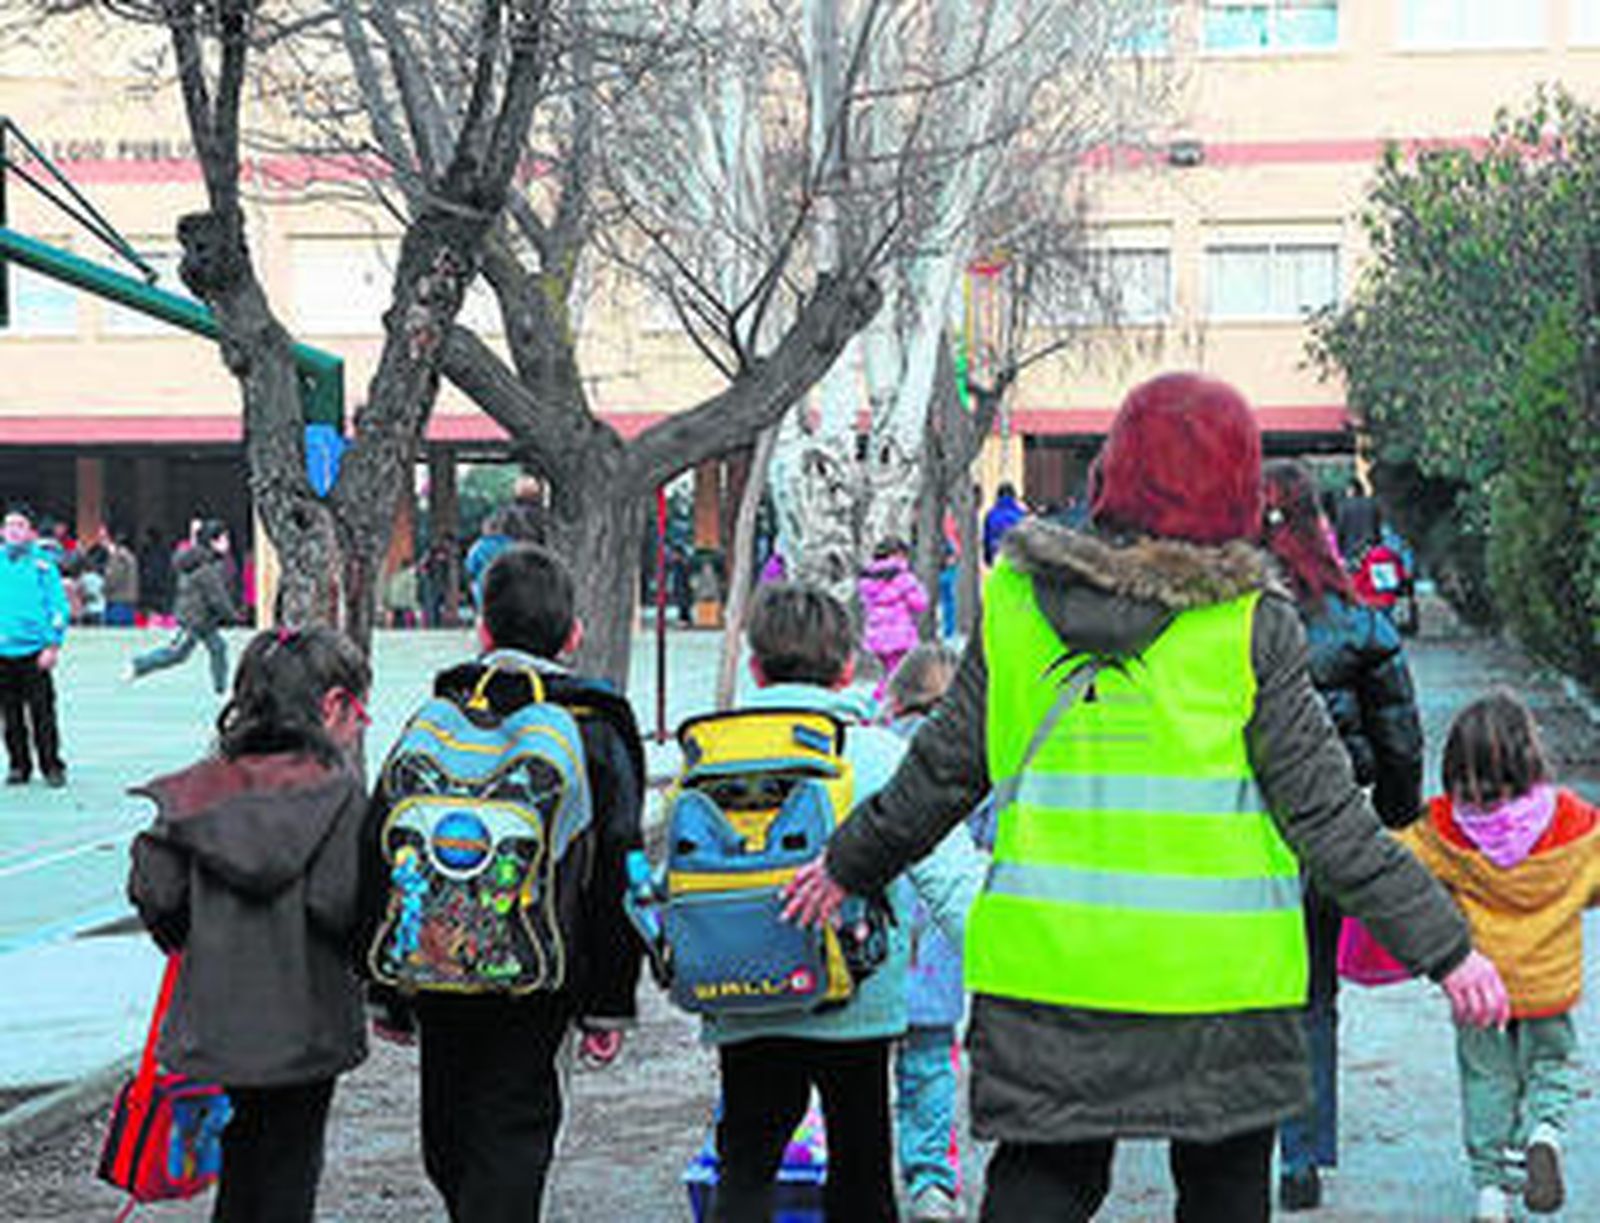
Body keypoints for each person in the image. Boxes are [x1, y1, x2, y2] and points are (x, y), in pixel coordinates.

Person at [784, 372, 1510, 1222]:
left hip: (1051, 970)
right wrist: (1449, 950)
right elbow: (1327, 818)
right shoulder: (1246, 623)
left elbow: (943, 769)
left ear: (1111, 470)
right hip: (1220, 988)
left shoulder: (1016, 602)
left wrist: (849, 861)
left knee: (1045, 1185)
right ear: (1237, 488)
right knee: (1223, 1195)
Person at [361, 544, 646, 1222]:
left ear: (482, 630)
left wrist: (386, 991)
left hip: (431, 962)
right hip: (543, 971)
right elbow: (618, 868)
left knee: (450, 1128)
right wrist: (610, 998)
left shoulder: (438, 715)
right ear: (573, 635)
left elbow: (384, 848)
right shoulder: (596, 724)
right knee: (515, 1129)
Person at [705, 583, 979, 1223]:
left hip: (744, 991)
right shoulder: (877, 754)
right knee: (860, 1164)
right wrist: (1004, 970)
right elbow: (947, 878)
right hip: (854, 999)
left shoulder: (710, 753)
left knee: (745, 1160)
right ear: (847, 668)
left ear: (755, 666)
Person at [126, 626, 373, 1222]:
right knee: (289, 1167)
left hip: (217, 1018)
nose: (364, 722)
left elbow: (155, 889)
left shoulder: (198, 790)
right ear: (332, 705)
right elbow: (341, 906)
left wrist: (194, 935)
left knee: (238, 1166)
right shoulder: (338, 794)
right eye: (359, 708)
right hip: (306, 1023)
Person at [1262, 459, 1425, 1211]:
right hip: (1329, 826)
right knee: (1314, 994)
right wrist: (1393, 813)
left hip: (1240, 831)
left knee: (1243, 991)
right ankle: (1300, 1154)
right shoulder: (1356, 618)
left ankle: (1237, 1135)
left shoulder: (1222, 615)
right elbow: (1399, 734)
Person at [1396, 693, 1599, 1222]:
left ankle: (1491, 1195)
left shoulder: (1444, 827)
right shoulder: (1575, 825)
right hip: (1548, 987)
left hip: (1477, 985)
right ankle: (1545, 1133)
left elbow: (1397, 861)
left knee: (1486, 1080)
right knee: (1550, 1067)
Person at [885, 643, 981, 1222]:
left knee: (859, 1069)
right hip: (938, 945)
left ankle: (853, 1165)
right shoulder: (972, 757)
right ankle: (930, 1182)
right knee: (928, 1066)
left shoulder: (878, 749)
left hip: (874, 941)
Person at [0, 504, 69, 787]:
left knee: (42, 713)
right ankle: (19, 766)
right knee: (10, 715)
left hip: (35, 652)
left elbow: (57, 606)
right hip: (3, 652)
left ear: (30, 532)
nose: (14, 531)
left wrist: (52, 646)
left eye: (20, 525)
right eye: (9, 525)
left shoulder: (43, 565)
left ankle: (52, 766)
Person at [127, 519, 237, 694]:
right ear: (213, 542)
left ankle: (220, 687)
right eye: (224, 539)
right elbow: (217, 597)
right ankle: (138, 665)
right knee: (177, 653)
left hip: (204, 619)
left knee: (218, 648)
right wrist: (232, 616)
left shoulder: (205, 560)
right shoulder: (206, 567)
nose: (228, 544)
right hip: (193, 619)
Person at [857, 538, 929, 701]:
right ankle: (887, 701)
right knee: (899, 672)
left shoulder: (868, 579)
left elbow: (866, 604)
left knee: (889, 671)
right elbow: (920, 603)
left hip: (877, 633)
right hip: (899, 634)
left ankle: (881, 699)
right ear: (899, 555)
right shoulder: (904, 578)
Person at [102, 529, 140, 627]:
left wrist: (104, 589)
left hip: (117, 600)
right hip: (129, 601)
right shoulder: (131, 557)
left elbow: (113, 579)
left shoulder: (118, 557)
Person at [981, 482, 1026, 566]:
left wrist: (987, 557)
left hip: (998, 552)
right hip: (1016, 555)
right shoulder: (1021, 514)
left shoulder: (991, 514)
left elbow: (986, 538)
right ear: (1014, 496)